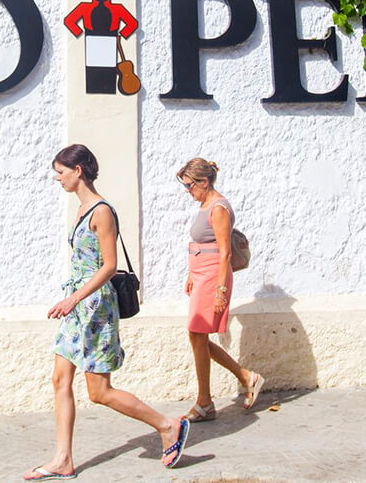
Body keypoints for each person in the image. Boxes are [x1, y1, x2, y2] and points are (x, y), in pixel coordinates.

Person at [24, 144, 189, 481]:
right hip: (77, 307)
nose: (57, 178)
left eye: (61, 172)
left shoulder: (101, 212)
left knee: (99, 392)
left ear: (78, 171)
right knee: (59, 379)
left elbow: (110, 266)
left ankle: (167, 425)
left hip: (96, 308)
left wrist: (73, 299)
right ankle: (63, 459)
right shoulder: (81, 209)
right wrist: (72, 300)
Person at [176, 158, 264, 423]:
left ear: (204, 181)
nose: (188, 191)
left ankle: (206, 401)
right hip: (201, 275)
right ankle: (244, 378)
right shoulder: (205, 205)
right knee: (197, 336)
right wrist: (191, 273)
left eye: (190, 185)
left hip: (213, 278)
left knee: (197, 334)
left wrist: (221, 291)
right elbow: (205, 244)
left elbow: (224, 253)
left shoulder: (219, 208)